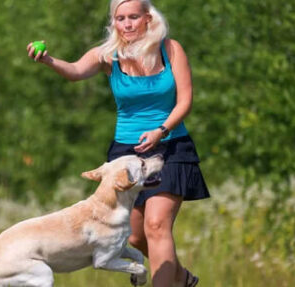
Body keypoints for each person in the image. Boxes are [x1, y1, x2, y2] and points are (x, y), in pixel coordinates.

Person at [27, 0, 210, 286]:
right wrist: (48, 60)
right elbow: (75, 71)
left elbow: (185, 100)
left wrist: (161, 130)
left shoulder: (170, 49)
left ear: (147, 19)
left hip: (170, 145)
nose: (126, 24)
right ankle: (179, 277)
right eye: (120, 18)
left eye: (133, 17)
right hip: (125, 155)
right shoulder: (108, 56)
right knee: (135, 235)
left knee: (156, 225)